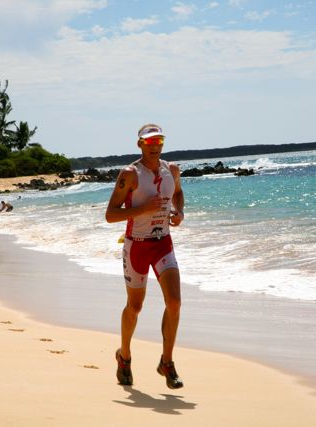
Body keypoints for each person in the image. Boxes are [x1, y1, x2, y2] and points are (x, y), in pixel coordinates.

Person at [105, 123, 185, 389]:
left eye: (159, 141)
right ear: (140, 144)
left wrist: (179, 212)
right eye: (149, 142)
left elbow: (178, 194)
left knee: (174, 303)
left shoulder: (171, 170)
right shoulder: (130, 174)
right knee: (135, 307)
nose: (155, 146)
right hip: (136, 245)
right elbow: (110, 214)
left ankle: (167, 362)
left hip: (163, 243)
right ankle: (124, 356)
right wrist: (142, 209)